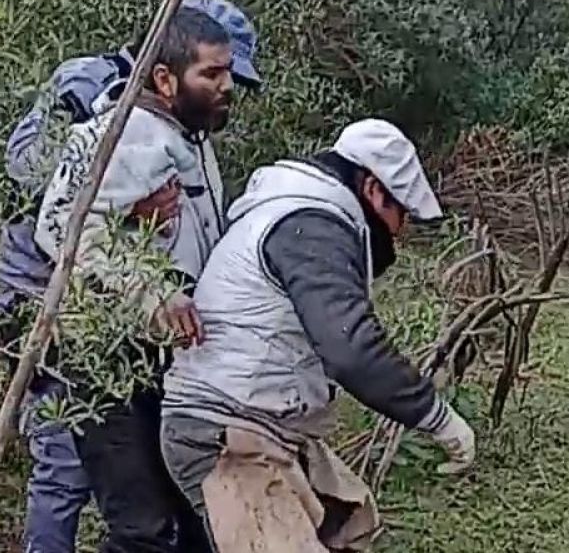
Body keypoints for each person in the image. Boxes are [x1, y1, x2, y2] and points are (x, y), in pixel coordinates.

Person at [0, 0, 262, 553]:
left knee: (172, 512)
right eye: (213, 73)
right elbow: (58, 223)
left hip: (149, 351)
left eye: (229, 73)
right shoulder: (110, 118)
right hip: (91, 339)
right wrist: (144, 273)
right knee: (84, 483)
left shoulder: (186, 132)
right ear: (166, 74)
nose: (227, 87)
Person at [160, 119, 476, 551]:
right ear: (373, 189)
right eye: (401, 213)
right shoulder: (311, 227)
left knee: (350, 525)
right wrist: (435, 417)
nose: (399, 231)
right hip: (224, 430)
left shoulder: (299, 215)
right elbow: (351, 348)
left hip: (266, 425)